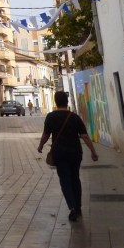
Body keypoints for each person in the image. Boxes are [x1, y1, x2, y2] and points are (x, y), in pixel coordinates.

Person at [38, 90, 98, 222]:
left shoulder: (51, 117)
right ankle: (78, 206)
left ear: (56, 102)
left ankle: (72, 207)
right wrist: (93, 151)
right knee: (75, 178)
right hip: (75, 153)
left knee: (65, 180)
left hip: (60, 154)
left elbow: (46, 135)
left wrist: (41, 146)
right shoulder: (74, 117)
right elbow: (84, 136)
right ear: (66, 101)